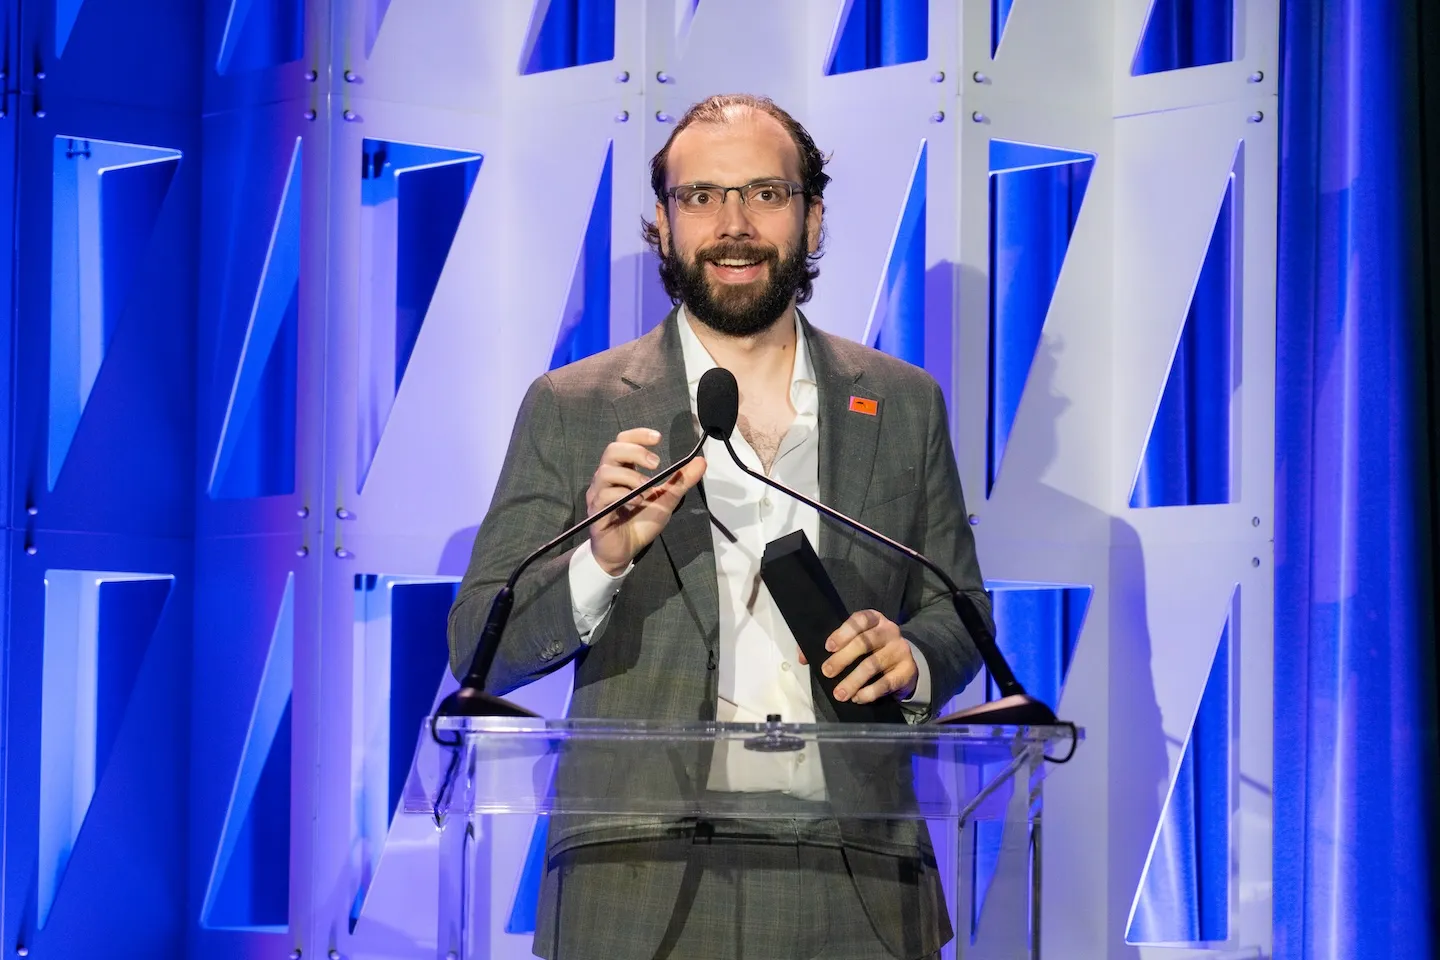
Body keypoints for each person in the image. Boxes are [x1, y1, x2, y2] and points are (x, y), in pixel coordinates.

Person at [449, 94, 990, 960]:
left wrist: (914, 656)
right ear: (662, 225)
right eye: (700, 197)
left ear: (813, 219)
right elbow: (482, 638)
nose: (732, 224)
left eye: (766, 195)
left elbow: (961, 613)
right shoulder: (571, 407)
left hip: (857, 885)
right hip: (641, 884)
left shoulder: (903, 402)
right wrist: (601, 559)